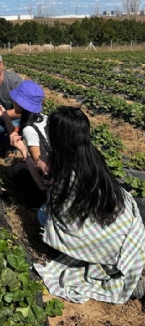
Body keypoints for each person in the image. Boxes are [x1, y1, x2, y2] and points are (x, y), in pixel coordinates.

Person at [33, 106, 145, 304]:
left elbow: (58, 214)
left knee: (43, 216)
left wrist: (46, 171)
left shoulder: (70, 174)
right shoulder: (90, 155)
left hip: (110, 243)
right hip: (123, 223)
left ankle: (132, 283)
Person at [0, 80, 50, 207]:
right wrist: (5, 117)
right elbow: (15, 135)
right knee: (15, 169)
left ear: (20, 103)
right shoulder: (44, 118)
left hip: (48, 178)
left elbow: (40, 166)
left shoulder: (30, 130)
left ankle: (41, 200)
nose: (13, 101)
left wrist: (23, 151)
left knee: (16, 175)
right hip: (54, 167)